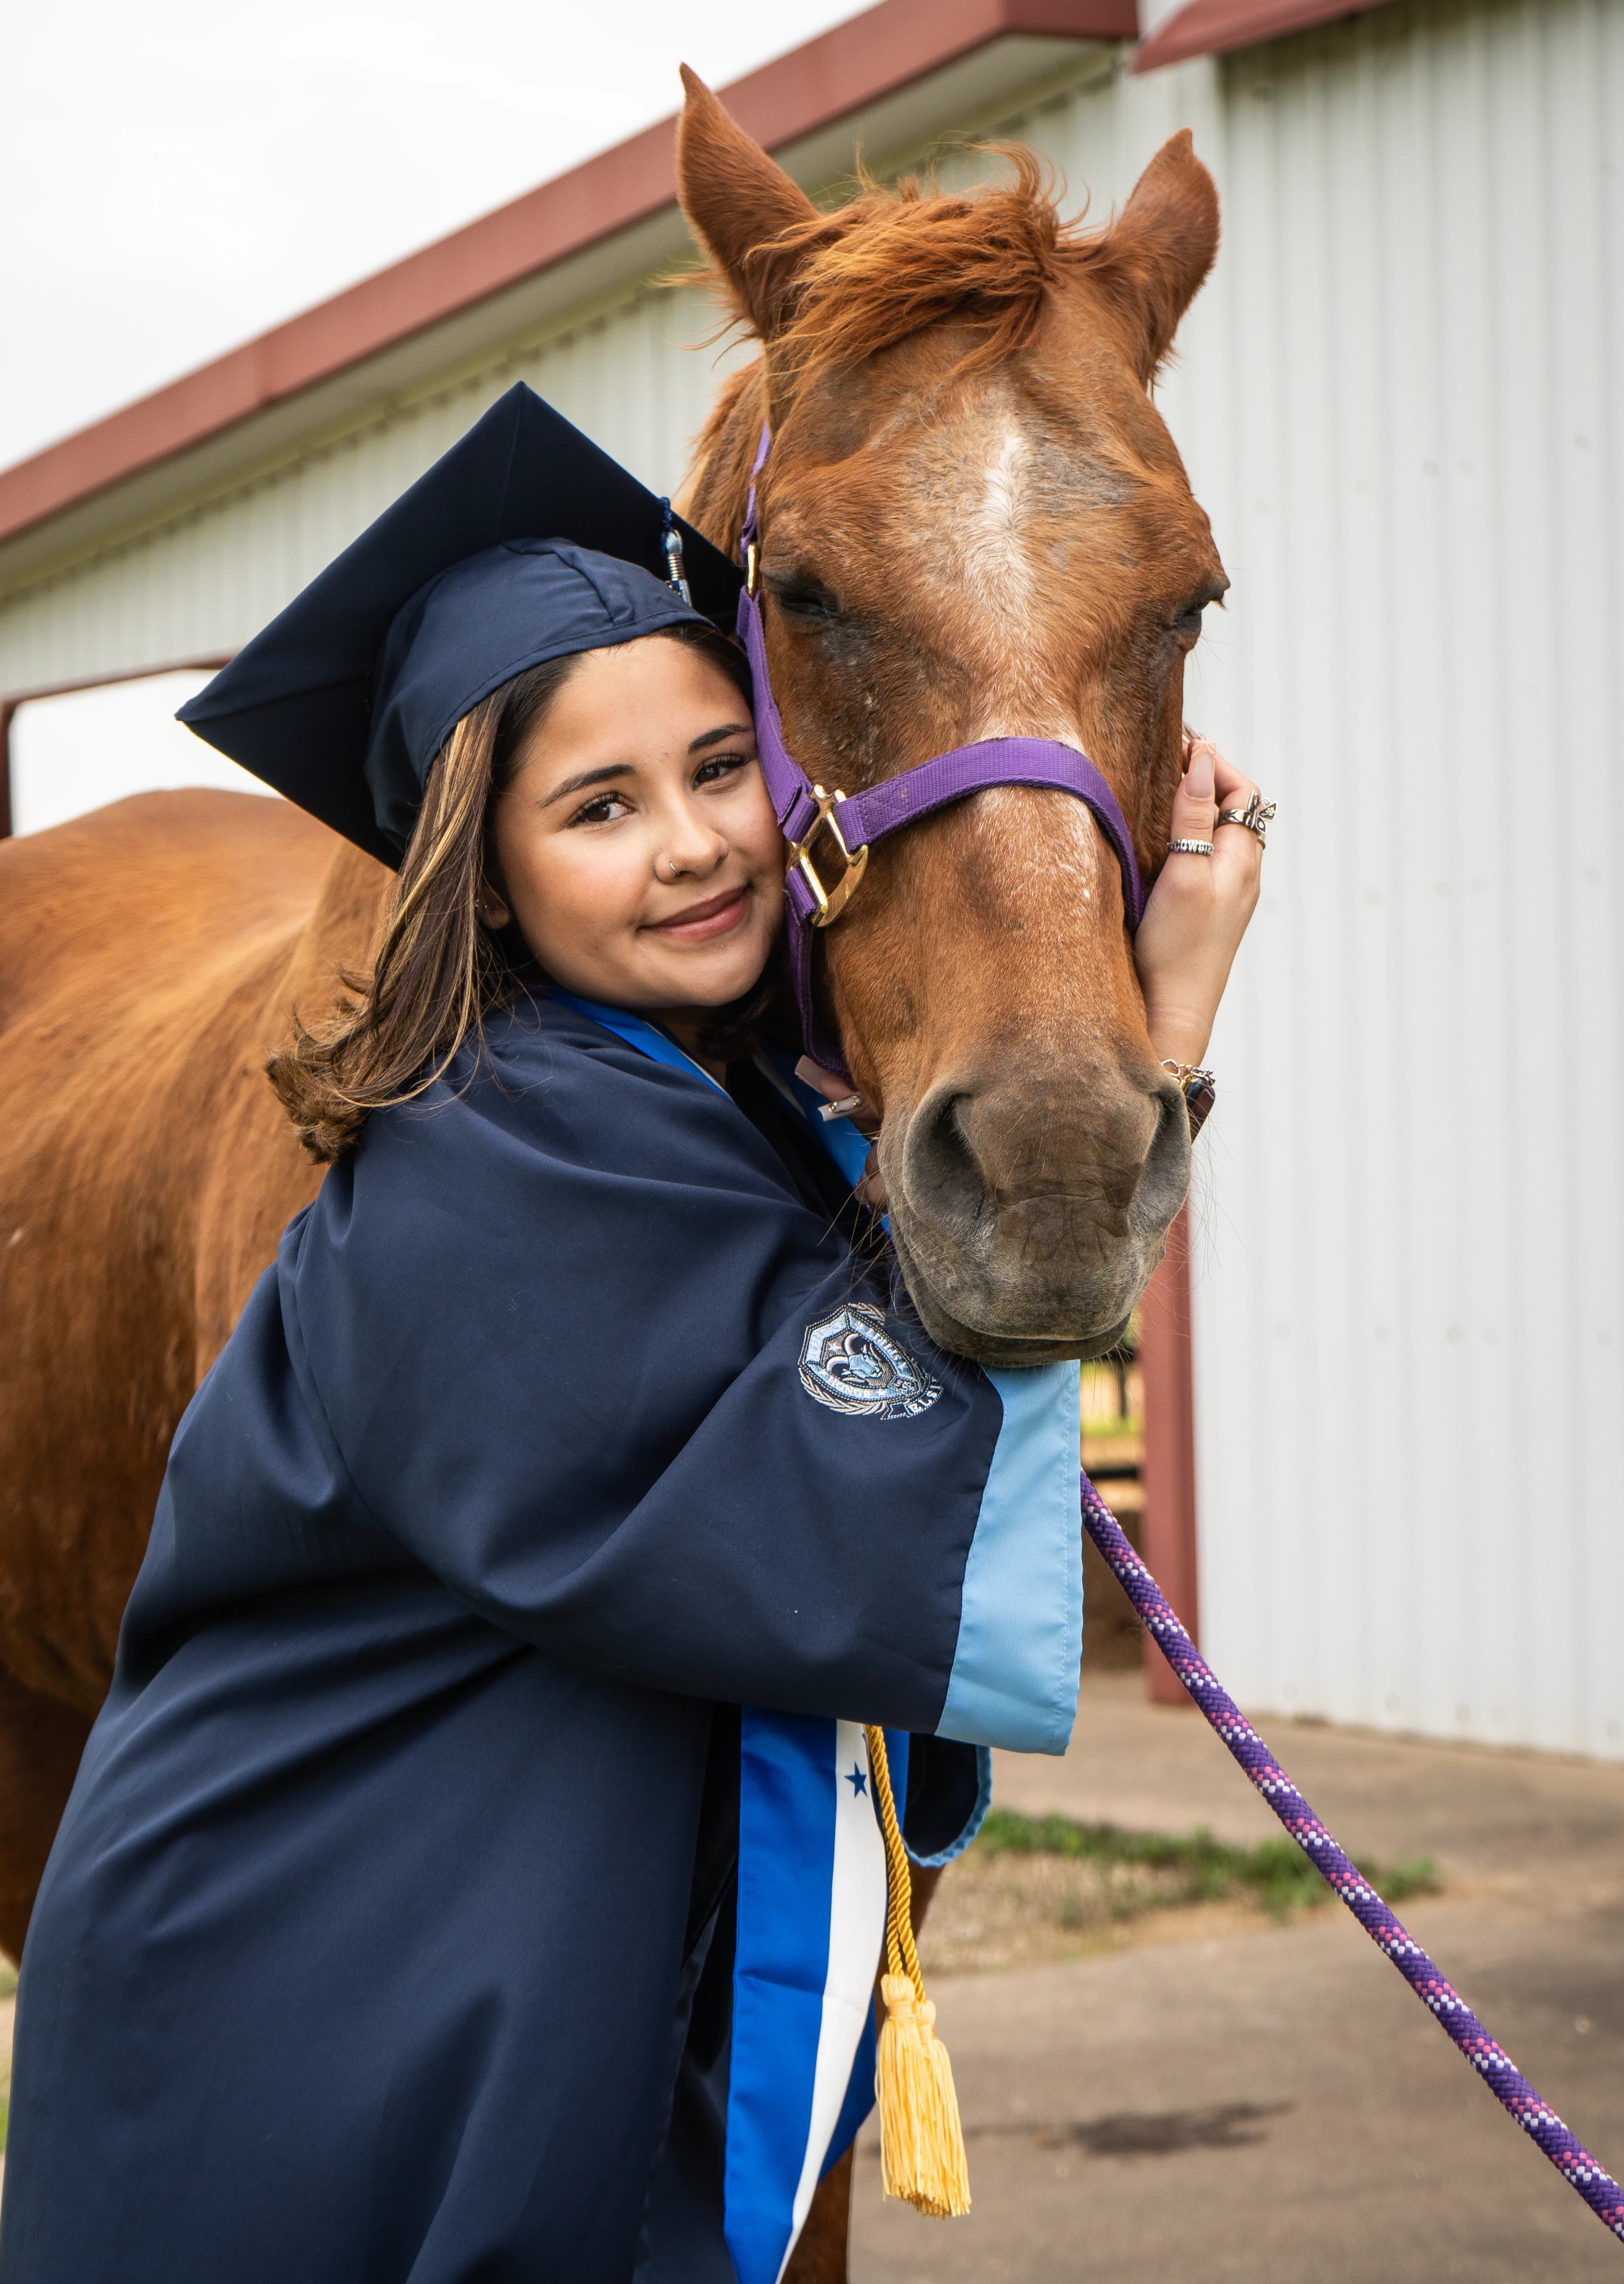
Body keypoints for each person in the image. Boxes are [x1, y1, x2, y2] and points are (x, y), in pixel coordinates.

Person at [0, 387, 1264, 2284]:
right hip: (321, 2001)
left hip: (456, 1947)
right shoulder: (485, 1163)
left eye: (717, 766)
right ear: (482, 871)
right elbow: (818, 1504)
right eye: (599, 807)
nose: (693, 845)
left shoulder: (669, 1097)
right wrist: (1160, 1035)